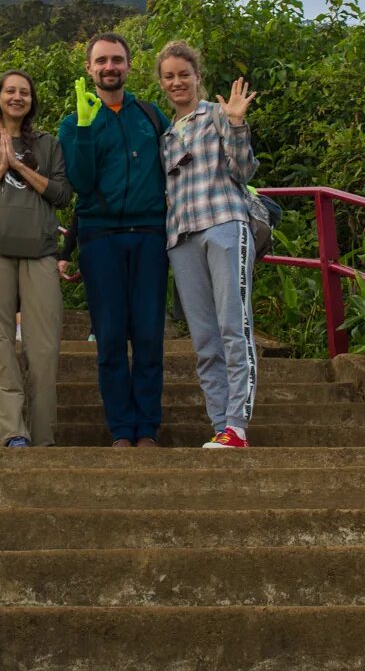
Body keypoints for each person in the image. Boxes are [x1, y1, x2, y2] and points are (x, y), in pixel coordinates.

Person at [58, 32, 171, 449]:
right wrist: (86, 129)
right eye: (101, 61)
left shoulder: (150, 114)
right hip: (99, 237)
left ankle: (148, 427)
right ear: (89, 68)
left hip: (149, 235)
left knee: (147, 335)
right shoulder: (73, 123)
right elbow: (82, 184)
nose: (110, 67)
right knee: (109, 337)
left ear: (129, 65)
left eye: (117, 60)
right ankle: (121, 428)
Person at [156, 40, 261, 450]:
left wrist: (235, 124)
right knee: (203, 338)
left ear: (197, 76)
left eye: (184, 74)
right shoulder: (166, 136)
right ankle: (221, 425)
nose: (177, 82)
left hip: (223, 223)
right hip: (181, 237)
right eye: (169, 76)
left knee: (233, 327)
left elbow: (244, 169)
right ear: (162, 83)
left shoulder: (217, 115)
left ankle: (237, 423)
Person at [0, 71, 72, 448]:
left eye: (24, 92)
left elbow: (61, 195)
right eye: (11, 91)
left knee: (43, 349)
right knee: (1, 343)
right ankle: (13, 434)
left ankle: (43, 437)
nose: (17, 97)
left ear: (31, 101)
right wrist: (0, 169)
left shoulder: (48, 144)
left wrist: (21, 167)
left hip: (40, 252)